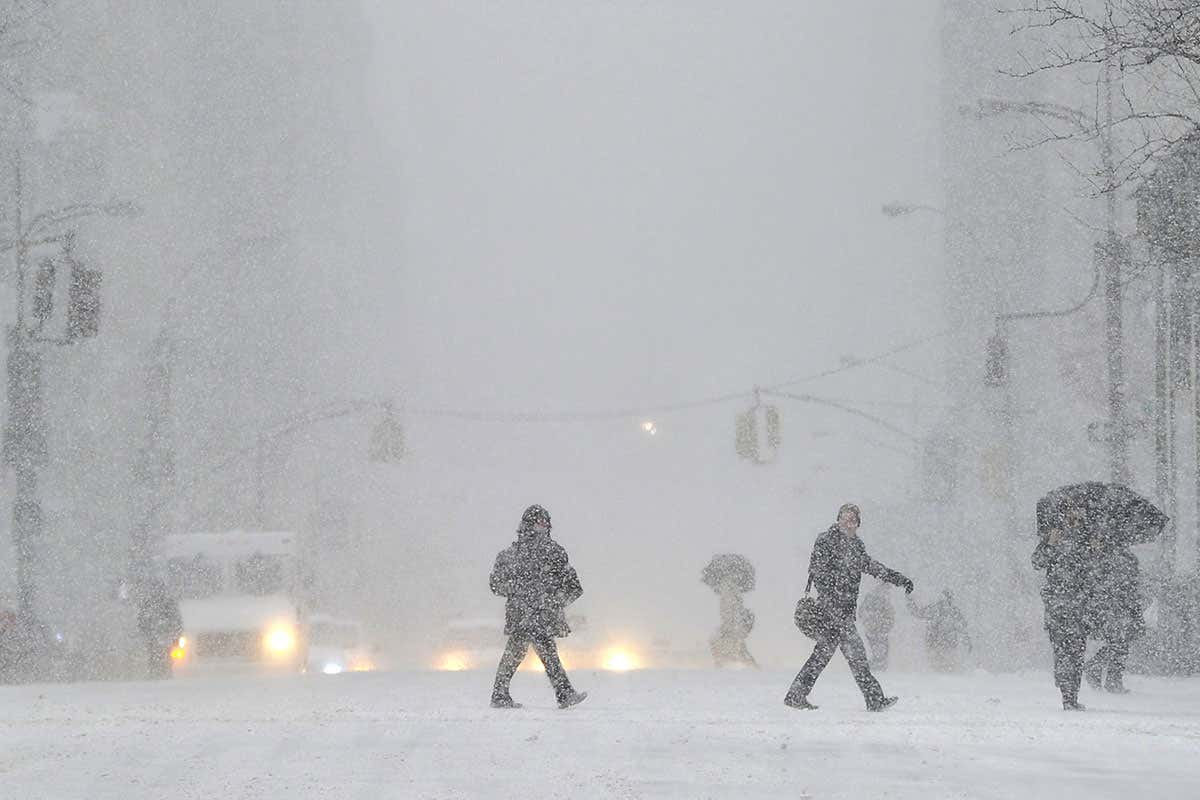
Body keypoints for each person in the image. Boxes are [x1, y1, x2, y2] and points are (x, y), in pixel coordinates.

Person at [784, 503, 914, 711]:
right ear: (838, 519)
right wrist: (832, 597)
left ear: (858, 523)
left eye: (853, 519)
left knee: (825, 655)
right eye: (845, 517)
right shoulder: (826, 540)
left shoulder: (856, 546)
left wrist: (898, 578)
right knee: (856, 656)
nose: (848, 522)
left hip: (843, 611)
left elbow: (872, 566)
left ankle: (796, 695)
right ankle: (874, 700)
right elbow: (817, 571)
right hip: (832, 610)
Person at [489, 505, 587, 709]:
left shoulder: (554, 552)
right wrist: (520, 590)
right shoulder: (511, 555)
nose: (542, 527)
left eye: (545, 523)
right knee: (542, 652)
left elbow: (574, 587)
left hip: (536, 614)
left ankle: (500, 694)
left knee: (519, 652)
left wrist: (554, 600)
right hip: (527, 614)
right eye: (539, 523)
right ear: (528, 525)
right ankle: (563, 693)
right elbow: (496, 584)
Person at [1032, 504, 1089, 710]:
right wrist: (1050, 543)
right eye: (1071, 514)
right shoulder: (1052, 538)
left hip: (1080, 607)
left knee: (1077, 652)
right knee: (1063, 651)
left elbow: (1094, 570)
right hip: (1057, 607)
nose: (1074, 518)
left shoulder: (1086, 540)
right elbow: (1037, 562)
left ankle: (1072, 694)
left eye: (1078, 514)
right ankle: (1066, 694)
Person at [1082, 544, 1143, 693]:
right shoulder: (1110, 557)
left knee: (1121, 641)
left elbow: (1131, 582)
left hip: (1121, 605)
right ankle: (1107, 675)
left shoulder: (1124, 557)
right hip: (1114, 605)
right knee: (1119, 641)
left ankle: (1106, 674)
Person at [907, 589, 972, 672]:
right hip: (948, 644)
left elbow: (917, 613)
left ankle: (939, 680)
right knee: (947, 667)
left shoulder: (934, 609)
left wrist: (910, 601)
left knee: (937, 667)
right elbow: (962, 627)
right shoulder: (954, 611)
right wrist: (967, 641)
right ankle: (946, 680)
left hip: (935, 643)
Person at [136, 577, 182, 679]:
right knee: (160, 654)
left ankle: (158, 672)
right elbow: (176, 620)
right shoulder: (166, 603)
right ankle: (161, 672)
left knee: (157, 654)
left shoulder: (149, 603)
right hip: (161, 635)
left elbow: (142, 620)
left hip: (159, 636)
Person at [858, 583, 895, 671]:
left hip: (875, 628)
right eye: (887, 589)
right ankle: (876, 667)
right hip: (877, 628)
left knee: (877, 649)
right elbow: (889, 614)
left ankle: (875, 666)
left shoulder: (872, 597)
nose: (888, 592)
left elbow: (861, 612)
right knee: (879, 649)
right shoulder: (880, 599)